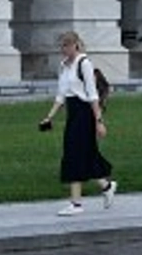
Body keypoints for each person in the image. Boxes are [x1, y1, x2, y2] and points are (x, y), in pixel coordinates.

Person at [36, 29, 115, 214]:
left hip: (85, 113)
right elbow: (61, 95)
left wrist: (99, 121)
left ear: (75, 45)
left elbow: (92, 94)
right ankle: (106, 186)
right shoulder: (64, 66)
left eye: (66, 45)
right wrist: (49, 117)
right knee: (85, 153)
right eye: (61, 46)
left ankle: (76, 203)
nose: (63, 49)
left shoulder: (84, 63)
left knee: (73, 154)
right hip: (73, 113)